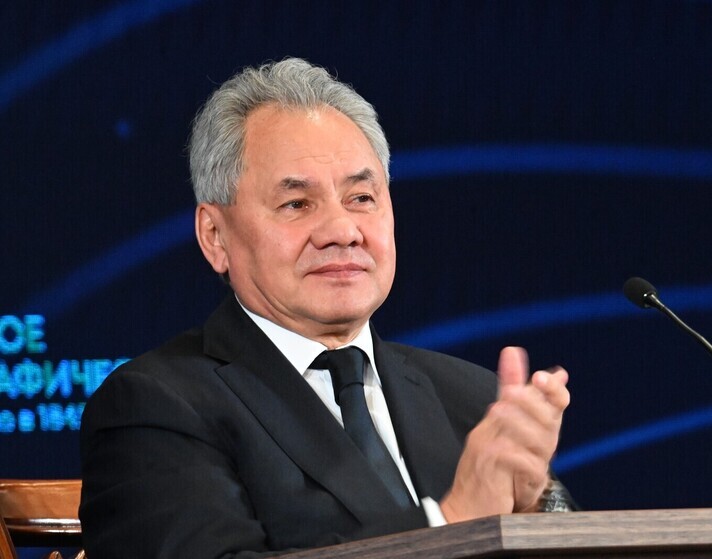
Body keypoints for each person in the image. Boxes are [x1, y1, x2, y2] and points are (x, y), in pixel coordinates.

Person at [79, 58, 574, 558]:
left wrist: (538, 507)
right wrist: (454, 521)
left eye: (361, 197)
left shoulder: (472, 399)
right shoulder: (154, 407)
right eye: (297, 204)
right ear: (215, 235)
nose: (342, 230)